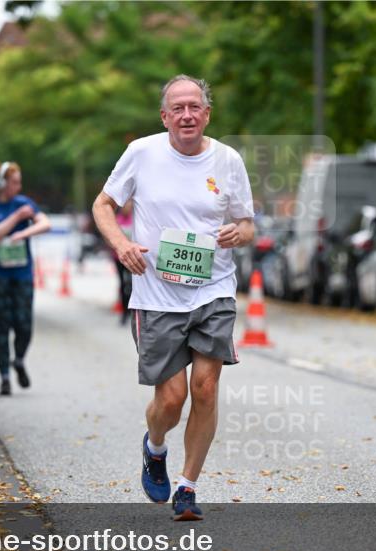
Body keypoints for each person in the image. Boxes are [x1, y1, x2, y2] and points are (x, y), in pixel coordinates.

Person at [92, 74, 255, 521]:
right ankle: (155, 446)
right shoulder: (141, 153)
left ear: (207, 113)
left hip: (213, 290)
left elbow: (247, 225)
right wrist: (122, 244)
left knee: (205, 388)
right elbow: (102, 206)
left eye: (195, 107)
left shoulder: (228, 160)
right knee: (170, 401)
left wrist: (236, 233)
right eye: (177, 108)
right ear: (165, 116)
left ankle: (188, 486)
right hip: (157, 295)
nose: (187, 114)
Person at [0, 159, 51, 396]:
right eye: (14, 183)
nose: (18, 188)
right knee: (1, 327)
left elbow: (45, 223)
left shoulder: (23, 202)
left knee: (24, 324)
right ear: (1, 183)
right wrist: (16, 217)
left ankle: (18, 359)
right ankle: (4, 377)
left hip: (21, 275)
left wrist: (23, 233)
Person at [113, 202, 134, 324]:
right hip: (119, 258)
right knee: (122, 284)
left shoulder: (136, 220)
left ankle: (131, 311)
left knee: (131, 285)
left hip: (133, 258)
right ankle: (123, 313)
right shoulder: (117, 220)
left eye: (129, 205)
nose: (127, 208)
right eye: (125, 205)